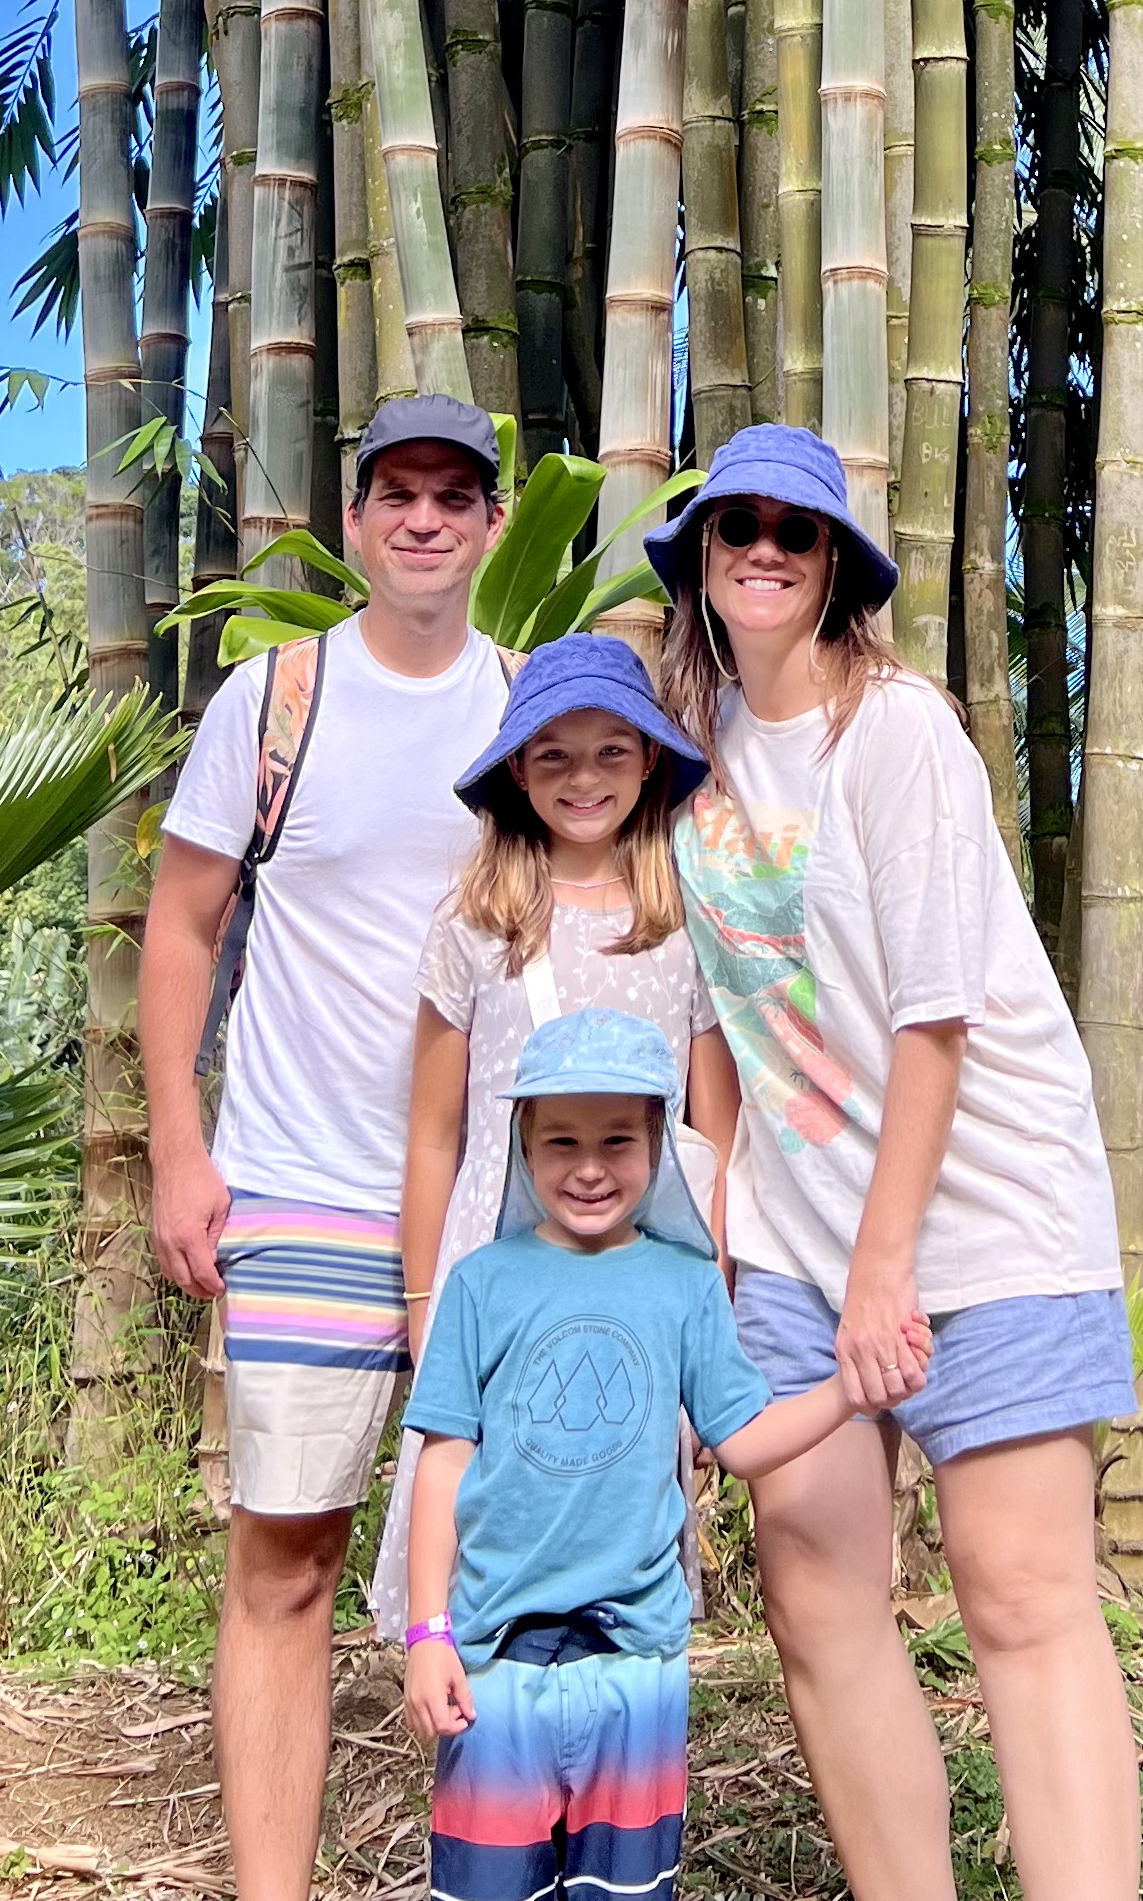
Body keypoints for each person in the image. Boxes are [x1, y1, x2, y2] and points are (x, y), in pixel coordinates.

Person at [652, 423, 1142, 1901]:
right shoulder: (697, 749)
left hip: (984, 1216)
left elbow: (934, 1024)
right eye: (733, 524)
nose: (759, 549)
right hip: (798, 1233)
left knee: (1021, 1591)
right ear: (700, 556)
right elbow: (728, 1006)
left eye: (791, 533)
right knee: (811, 1588)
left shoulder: (899, 731)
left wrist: (888, 1272)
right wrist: (716, 1219)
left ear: (832, 568)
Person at [140, 391, 511, 1901]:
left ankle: (490, 1873)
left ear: (491, 525)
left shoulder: (532, 705)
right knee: (285, 1560)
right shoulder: (273, 701)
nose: (424, 519)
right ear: (354, 524)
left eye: (454, 496)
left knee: (493, 1572)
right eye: (396, 495)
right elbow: (180, 924)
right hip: (300, 1184)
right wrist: (179, 1146)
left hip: (499, 1207)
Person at [401, 1007, 926, 1901]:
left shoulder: (685, 1285)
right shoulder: (480, 1284)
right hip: (495, 1663)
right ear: (524, 1145)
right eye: (562, 1141)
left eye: (618, 1139)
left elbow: (747, 1440)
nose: (592, 1167)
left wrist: (848, 1394)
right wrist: (426, 1634)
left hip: (636, 1662)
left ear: (659, 1142)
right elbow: (444, 1462)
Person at [366, 629, 743, 1634]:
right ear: (516, 772)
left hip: (640, 1283)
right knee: (483, 1541)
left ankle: (609, 1771)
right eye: (555, 756)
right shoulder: (477, 921)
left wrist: (716, 1306)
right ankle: (490, 1768)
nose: (585, 779)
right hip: (492, 1267)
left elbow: (715, 1130)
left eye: (612, 751)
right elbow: (435, 1134)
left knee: (612, 1534)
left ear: (651, 760)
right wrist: (422, 1307)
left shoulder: (683, 921)